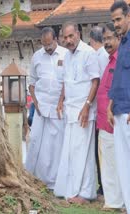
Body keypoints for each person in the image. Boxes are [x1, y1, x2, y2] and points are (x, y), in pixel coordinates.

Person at [54, 21, 100, 204]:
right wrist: (60, 101)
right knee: (72, 152)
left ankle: (85, 193)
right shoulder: (67, 56)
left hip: (84, 111)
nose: (68, 40)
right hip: (70, 110)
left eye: (71, 36)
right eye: (65, 37)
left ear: (78, 34)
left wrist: (87, 106)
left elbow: (95, 81)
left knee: (83, 152)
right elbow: (66, 81)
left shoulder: (88, 53)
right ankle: (71, 189)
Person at [25, 27, 67, 190]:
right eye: (44, 45)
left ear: (56, 39)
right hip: (41, 106)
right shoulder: (37, 56)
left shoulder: (65, 54)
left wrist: (61, 101)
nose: (47, 47)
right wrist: (35, 102)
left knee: (55, 144)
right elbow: (32, 83)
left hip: (59, 106)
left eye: (49, 44)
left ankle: (55, 181)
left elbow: (66, 81)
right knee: (36, 141)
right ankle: (33, 177)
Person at [97, 22, 124, 210]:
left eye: (109, 38)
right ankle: (113, 201)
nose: (106, 42)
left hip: (116, 121)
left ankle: (123, 201)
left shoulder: (121, 60)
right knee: (108, 164)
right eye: (104, 39)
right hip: (103, 122)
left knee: (120, 164)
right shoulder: (109, 60)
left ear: (119, 38)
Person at [108, 1, 130, 213]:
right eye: (113, 20)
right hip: (119, 111)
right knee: (124, 165)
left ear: (129, 16)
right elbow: (119, 77)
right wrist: (110, 104)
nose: (116, 24)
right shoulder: (122, 43)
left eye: (119, 19)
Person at [89, 25, 109, 198]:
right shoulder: (107, 55)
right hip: (102, 109)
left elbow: (95, 84)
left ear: (91, 40)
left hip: (99, 110)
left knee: (100, 151)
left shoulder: (97, 56)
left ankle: (103, 185)